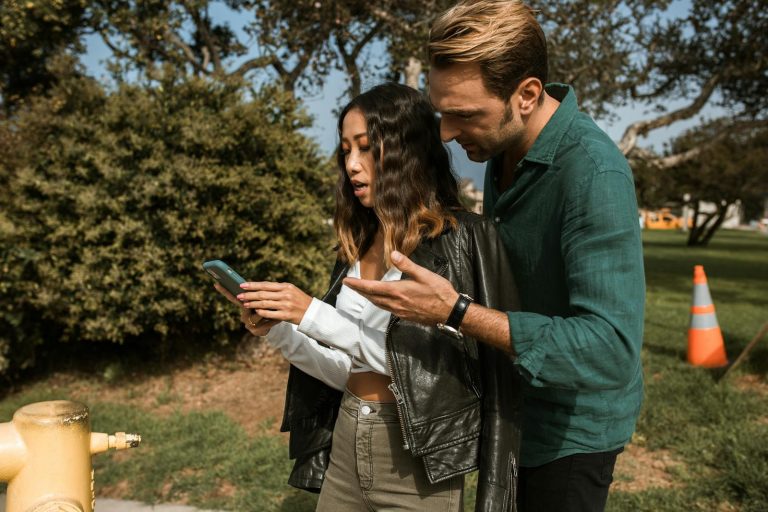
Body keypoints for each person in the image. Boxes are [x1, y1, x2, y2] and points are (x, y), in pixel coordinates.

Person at [343, 2, 646, 512]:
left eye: (464, 114)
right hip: (507, 406)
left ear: (526, 95)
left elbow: (610, 351)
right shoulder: (502, 148)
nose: (446, 133)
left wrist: (455, 311)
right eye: (443, 112)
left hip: (566, 436)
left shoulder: (594, 175)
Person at [214, 82, 521, 511]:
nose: (353, 166)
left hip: (417, 464)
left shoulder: (459, 241)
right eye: (345, 151)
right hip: (348, 439)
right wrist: (281, 330)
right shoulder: (358, 246)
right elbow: (347, 371)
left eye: (366, 148)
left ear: (406, 150)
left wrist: (314, 314)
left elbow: (437, 376)